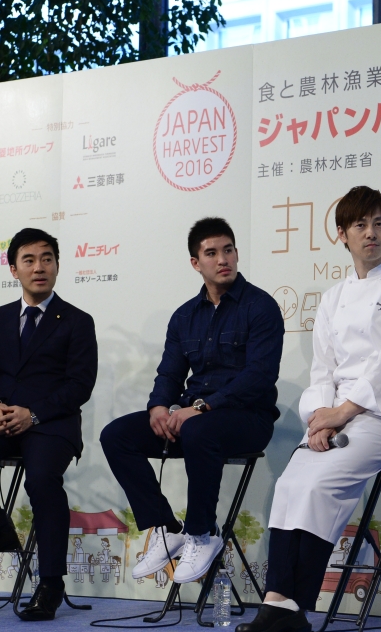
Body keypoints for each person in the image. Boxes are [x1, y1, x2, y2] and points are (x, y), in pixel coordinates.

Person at [236, 186, 381, 632]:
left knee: (319, 485)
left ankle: (295, 609)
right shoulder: (333, 297)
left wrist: (340, 414)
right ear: (342, 234)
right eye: (361, 225)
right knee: (290, 484)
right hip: (336, 418)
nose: (372, 233)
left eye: (380, 223)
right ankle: (278, 603)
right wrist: (319, 419)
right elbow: (322, 370)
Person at [100, 218, 283, 587]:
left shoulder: (260, 306)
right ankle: (167, 529)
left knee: (198, 429)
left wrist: (200, 408)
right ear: (196, 263)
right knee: (116, 435)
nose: (223, 259)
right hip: (195, 418)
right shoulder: (184, 316)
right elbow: (169, 374)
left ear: (237, 253)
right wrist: (158, 407)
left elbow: (259, 376)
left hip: (248, 419)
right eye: (211, 253)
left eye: (228, 250)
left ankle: (202, 534)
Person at [0, 227, 97, 621]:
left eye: (47, 259)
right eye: (29, 260)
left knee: (41, 479)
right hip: (3, 418)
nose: (39, 267)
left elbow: (79, 386)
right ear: (14, 269)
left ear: (57, 266)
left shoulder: (77, 321)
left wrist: (33, 413)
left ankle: (51, 582)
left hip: (51, 423)